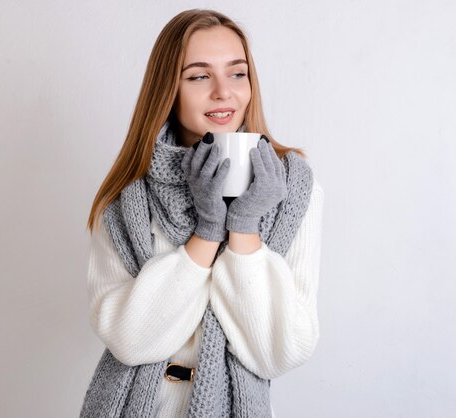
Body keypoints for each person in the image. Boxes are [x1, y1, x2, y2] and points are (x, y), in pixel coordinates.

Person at [79, 9, 324, 418]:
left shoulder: (293, 190)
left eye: (237, 73)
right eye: (198, 76)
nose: (223, 92)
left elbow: (280, 352)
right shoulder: (127, 196)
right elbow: (129, 339)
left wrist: (243, 227)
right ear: (167, 89)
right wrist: (208, 231)